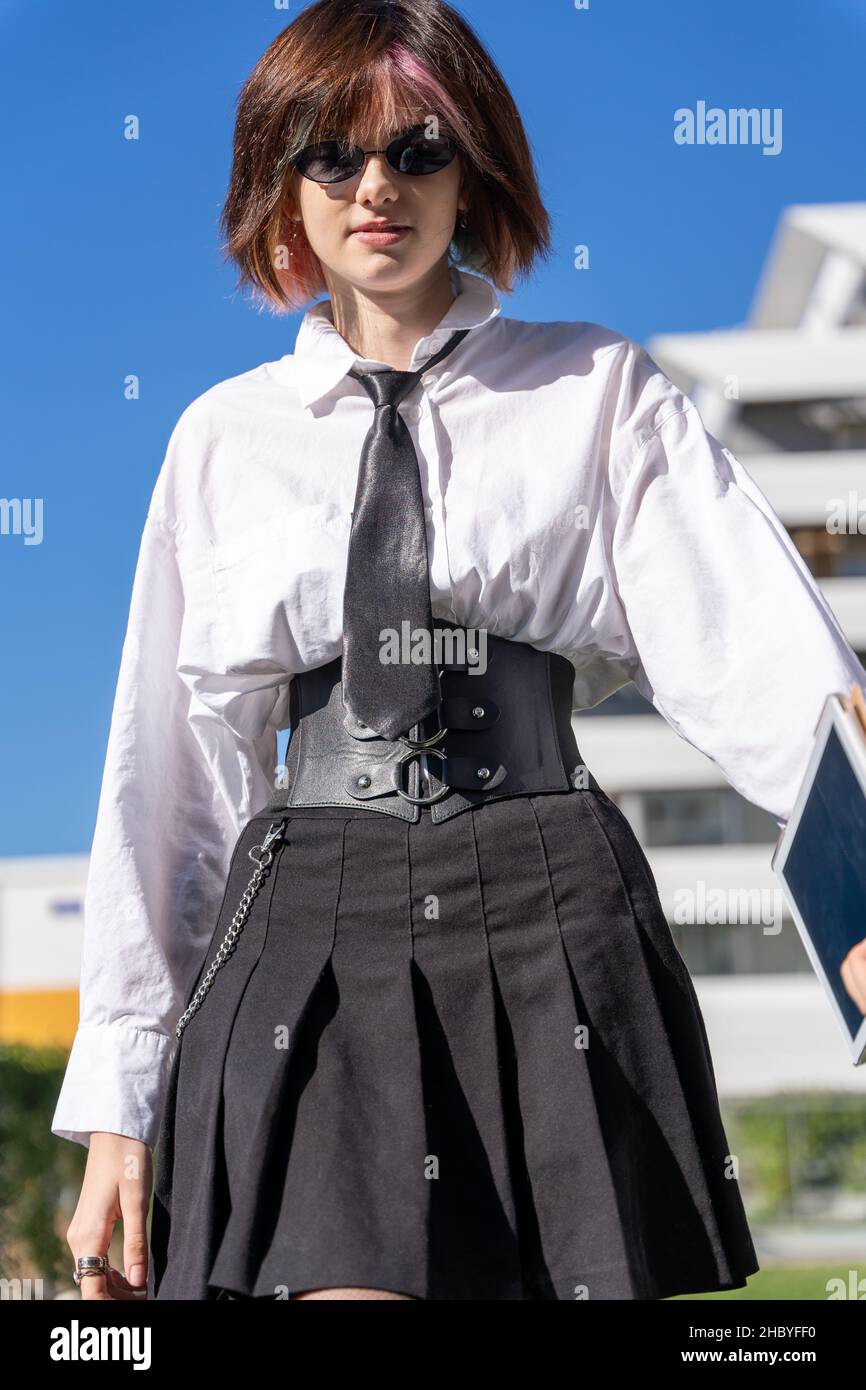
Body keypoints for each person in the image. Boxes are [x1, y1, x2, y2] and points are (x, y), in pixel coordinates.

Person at [52, 0, 866, 1302]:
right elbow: (171, 781)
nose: (377, 187)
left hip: (549, 896)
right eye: (333, 154)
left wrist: (861, 899)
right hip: (307, 921)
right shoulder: (219, 438)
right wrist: (119, 1100)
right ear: (281, 186)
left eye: (418, 150)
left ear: (473, 169)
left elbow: (756, 649)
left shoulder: (595, 389)